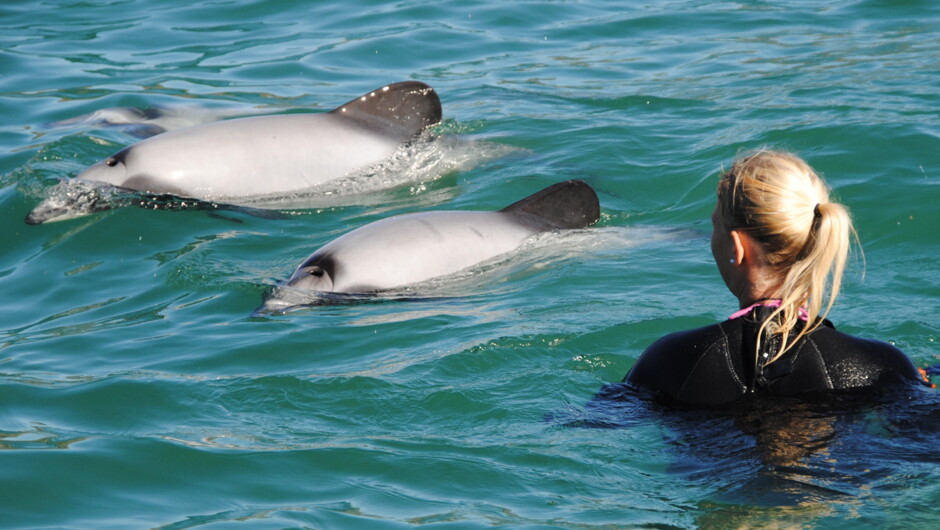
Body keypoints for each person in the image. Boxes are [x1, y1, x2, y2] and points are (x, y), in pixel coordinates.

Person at [624, 149, 928, 405]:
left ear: (737, 247)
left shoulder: (670, 361)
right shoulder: (882, 367)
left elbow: (607, 423)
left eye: (715, 225)